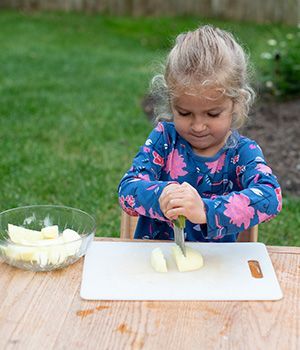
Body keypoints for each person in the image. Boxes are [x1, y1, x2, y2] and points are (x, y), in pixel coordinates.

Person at [118, 25, 282, 242]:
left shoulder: (242, 152)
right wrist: (162, 196)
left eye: (212, 114)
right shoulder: (164, 139)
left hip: (218, 269)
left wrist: (206, 210)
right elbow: (127, 190)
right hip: (157, 265)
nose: (197, 126)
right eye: (184, 113)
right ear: (171, 102)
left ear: (236, 104)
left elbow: (271, 197)